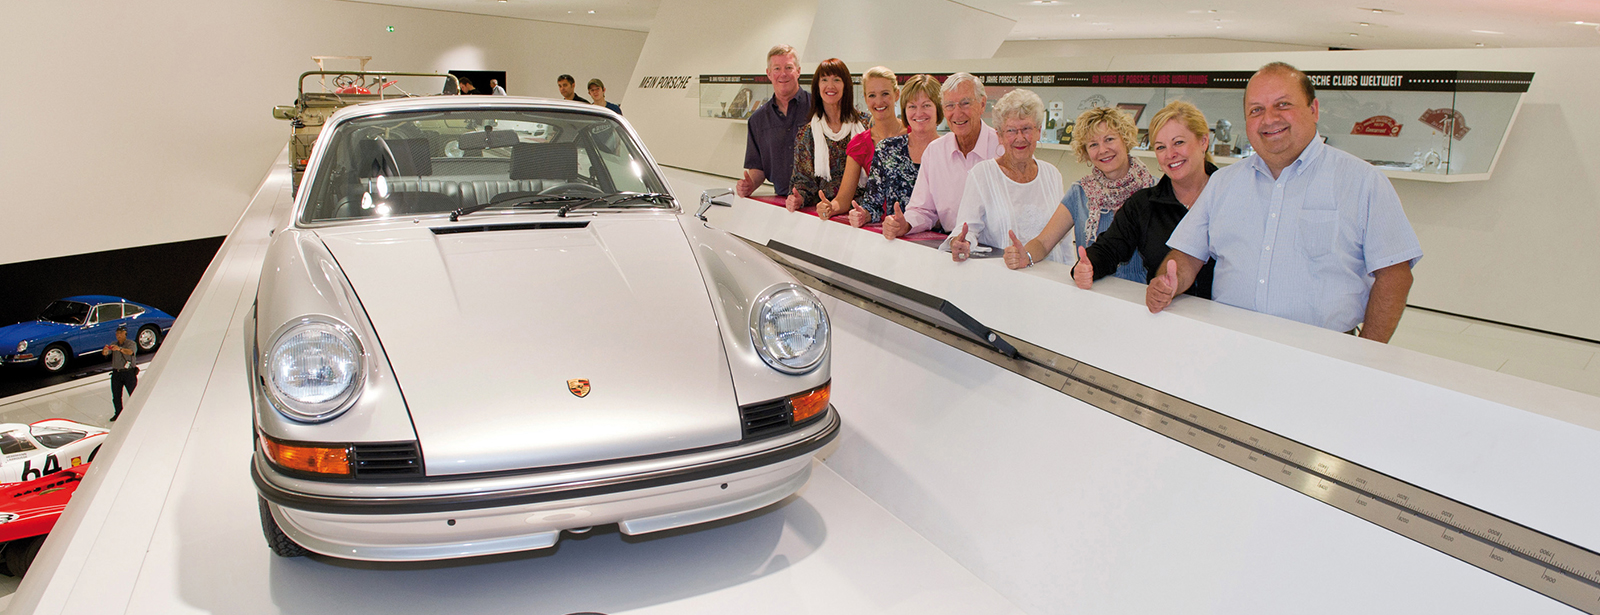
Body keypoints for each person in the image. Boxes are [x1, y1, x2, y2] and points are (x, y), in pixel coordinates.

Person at [1149, 62, 1422, 343]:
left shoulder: (1362, 181)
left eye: (1282, 104)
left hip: (1323, 352)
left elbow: (1394, 275)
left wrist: (1368, 353)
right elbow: (1187, 255)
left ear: (1313, 109)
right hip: (1231, 345)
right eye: (1256, 110)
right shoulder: (1223, 183)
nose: (1269, 119)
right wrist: (1169, 282)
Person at [1073, 100, 1217, 299]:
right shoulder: (1143, 205)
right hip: (1163, 317)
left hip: (1229, 323)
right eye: (1160, 147)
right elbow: (1109, 249)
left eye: (1179, 142)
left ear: (1203, 141)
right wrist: (1087, 267)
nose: (1170, 154)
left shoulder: (1233, 195)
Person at [998, 106, 1156, 272]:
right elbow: (1043, 243)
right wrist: (1026, 256)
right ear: (1085, 152)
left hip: (1143, 295)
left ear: (1125, 139)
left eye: (1109, 139)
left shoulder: (1155, 191)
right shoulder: (1080, 193)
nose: (1102, 150)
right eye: (1093, 144)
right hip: (1090, 290)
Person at [945, 89, 1066, 266]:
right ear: (999, 136)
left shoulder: (1052, 174)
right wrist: (961, 243)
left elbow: (1064, 238)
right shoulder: (983, 174)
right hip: (1003, 280)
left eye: (1026, 128)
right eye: (1011, 130)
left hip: (1050, 281)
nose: (1020, 138)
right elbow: (967, 229)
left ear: (1039, 131)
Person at [882, 72, 999, 239]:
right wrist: (905, 225)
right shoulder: (935, 151)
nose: (957, 113)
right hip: (951, 246)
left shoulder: (1003, 147)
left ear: (982, 104)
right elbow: (922, 210)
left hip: (998, 250)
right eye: (950, 105)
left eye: (965, 103)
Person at [847, 74, 943, 227]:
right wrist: (862, 215)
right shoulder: (887, 149)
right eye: (912, 106)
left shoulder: (950, 151)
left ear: (938, 108)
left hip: (942, 244)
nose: (919, 113)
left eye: (926, 105)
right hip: (896, 241)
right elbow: (873, 205)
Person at [817, 66, 903, 221]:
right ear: (865, 98)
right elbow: (843, 200)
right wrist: (829, 207)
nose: (878, 101)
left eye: (885, 94)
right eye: (872, 95)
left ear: (896, 94)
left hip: (916, 228)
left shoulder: (913, 134)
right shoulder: (860, 144)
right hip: (878, 228)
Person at [787, 58, 865, 212]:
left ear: (846, 85)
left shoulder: (866, 125)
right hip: (826, 212)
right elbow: (804, 182)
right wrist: (798, 198)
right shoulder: (807, 134)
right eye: (824, 80)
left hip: (863, 212)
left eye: (837, 79)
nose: (830, 86)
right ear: (817, 86)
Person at [736, 45, 810, 198]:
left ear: (798, 71)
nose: (783, 74)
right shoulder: (757, 120)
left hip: (820, 204)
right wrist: (750, 185)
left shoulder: (818, 108)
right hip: (783, 201)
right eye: (777, 68)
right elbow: (757, 167)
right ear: (769, 73)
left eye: (789, 67)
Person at [103, 324, 137, 421]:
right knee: (116, 395)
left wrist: (120, 349)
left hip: (128, 373)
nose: (118, 335)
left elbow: (130, 352)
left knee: (133, 394)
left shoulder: (131, 343)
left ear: (125, 334)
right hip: (117, 373)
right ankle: (118, 413)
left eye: (121, 333)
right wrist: (105, 351)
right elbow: (106, 354)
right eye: (117, 333)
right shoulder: (114, 343)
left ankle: (136, 412)